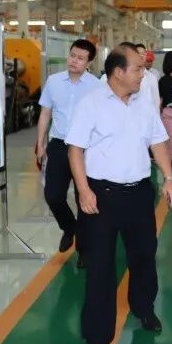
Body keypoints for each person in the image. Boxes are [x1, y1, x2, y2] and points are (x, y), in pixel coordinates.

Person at [66, 45, 172, 344]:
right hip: (100, 196)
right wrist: (83, 191)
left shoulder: (143, 101)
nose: (143, 74)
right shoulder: (91, 103)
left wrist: (169, 178)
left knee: (143, 257)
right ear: (118, 72)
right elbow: (75, 150)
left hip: (139, 193)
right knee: (100, 267)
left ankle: (144, 308)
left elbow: (157, 141)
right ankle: (96, 338)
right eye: (138, 69)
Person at [34, 39, 101, 256]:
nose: (74, 61)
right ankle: (69, 227)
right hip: (59, 145)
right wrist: (40, 144)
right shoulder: (53, 81)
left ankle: (84, 249)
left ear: (89, 63)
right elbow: (45, 113)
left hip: (86, 149)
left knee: (85, 199)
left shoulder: (97, 86)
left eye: (80, 58)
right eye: (72, 55)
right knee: (53, 195)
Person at [109, 41, 159, 113]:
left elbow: (155, 101)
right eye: (138, 54)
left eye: (144, 54)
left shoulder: (151, 77)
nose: (141, 56)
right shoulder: (110, 77)